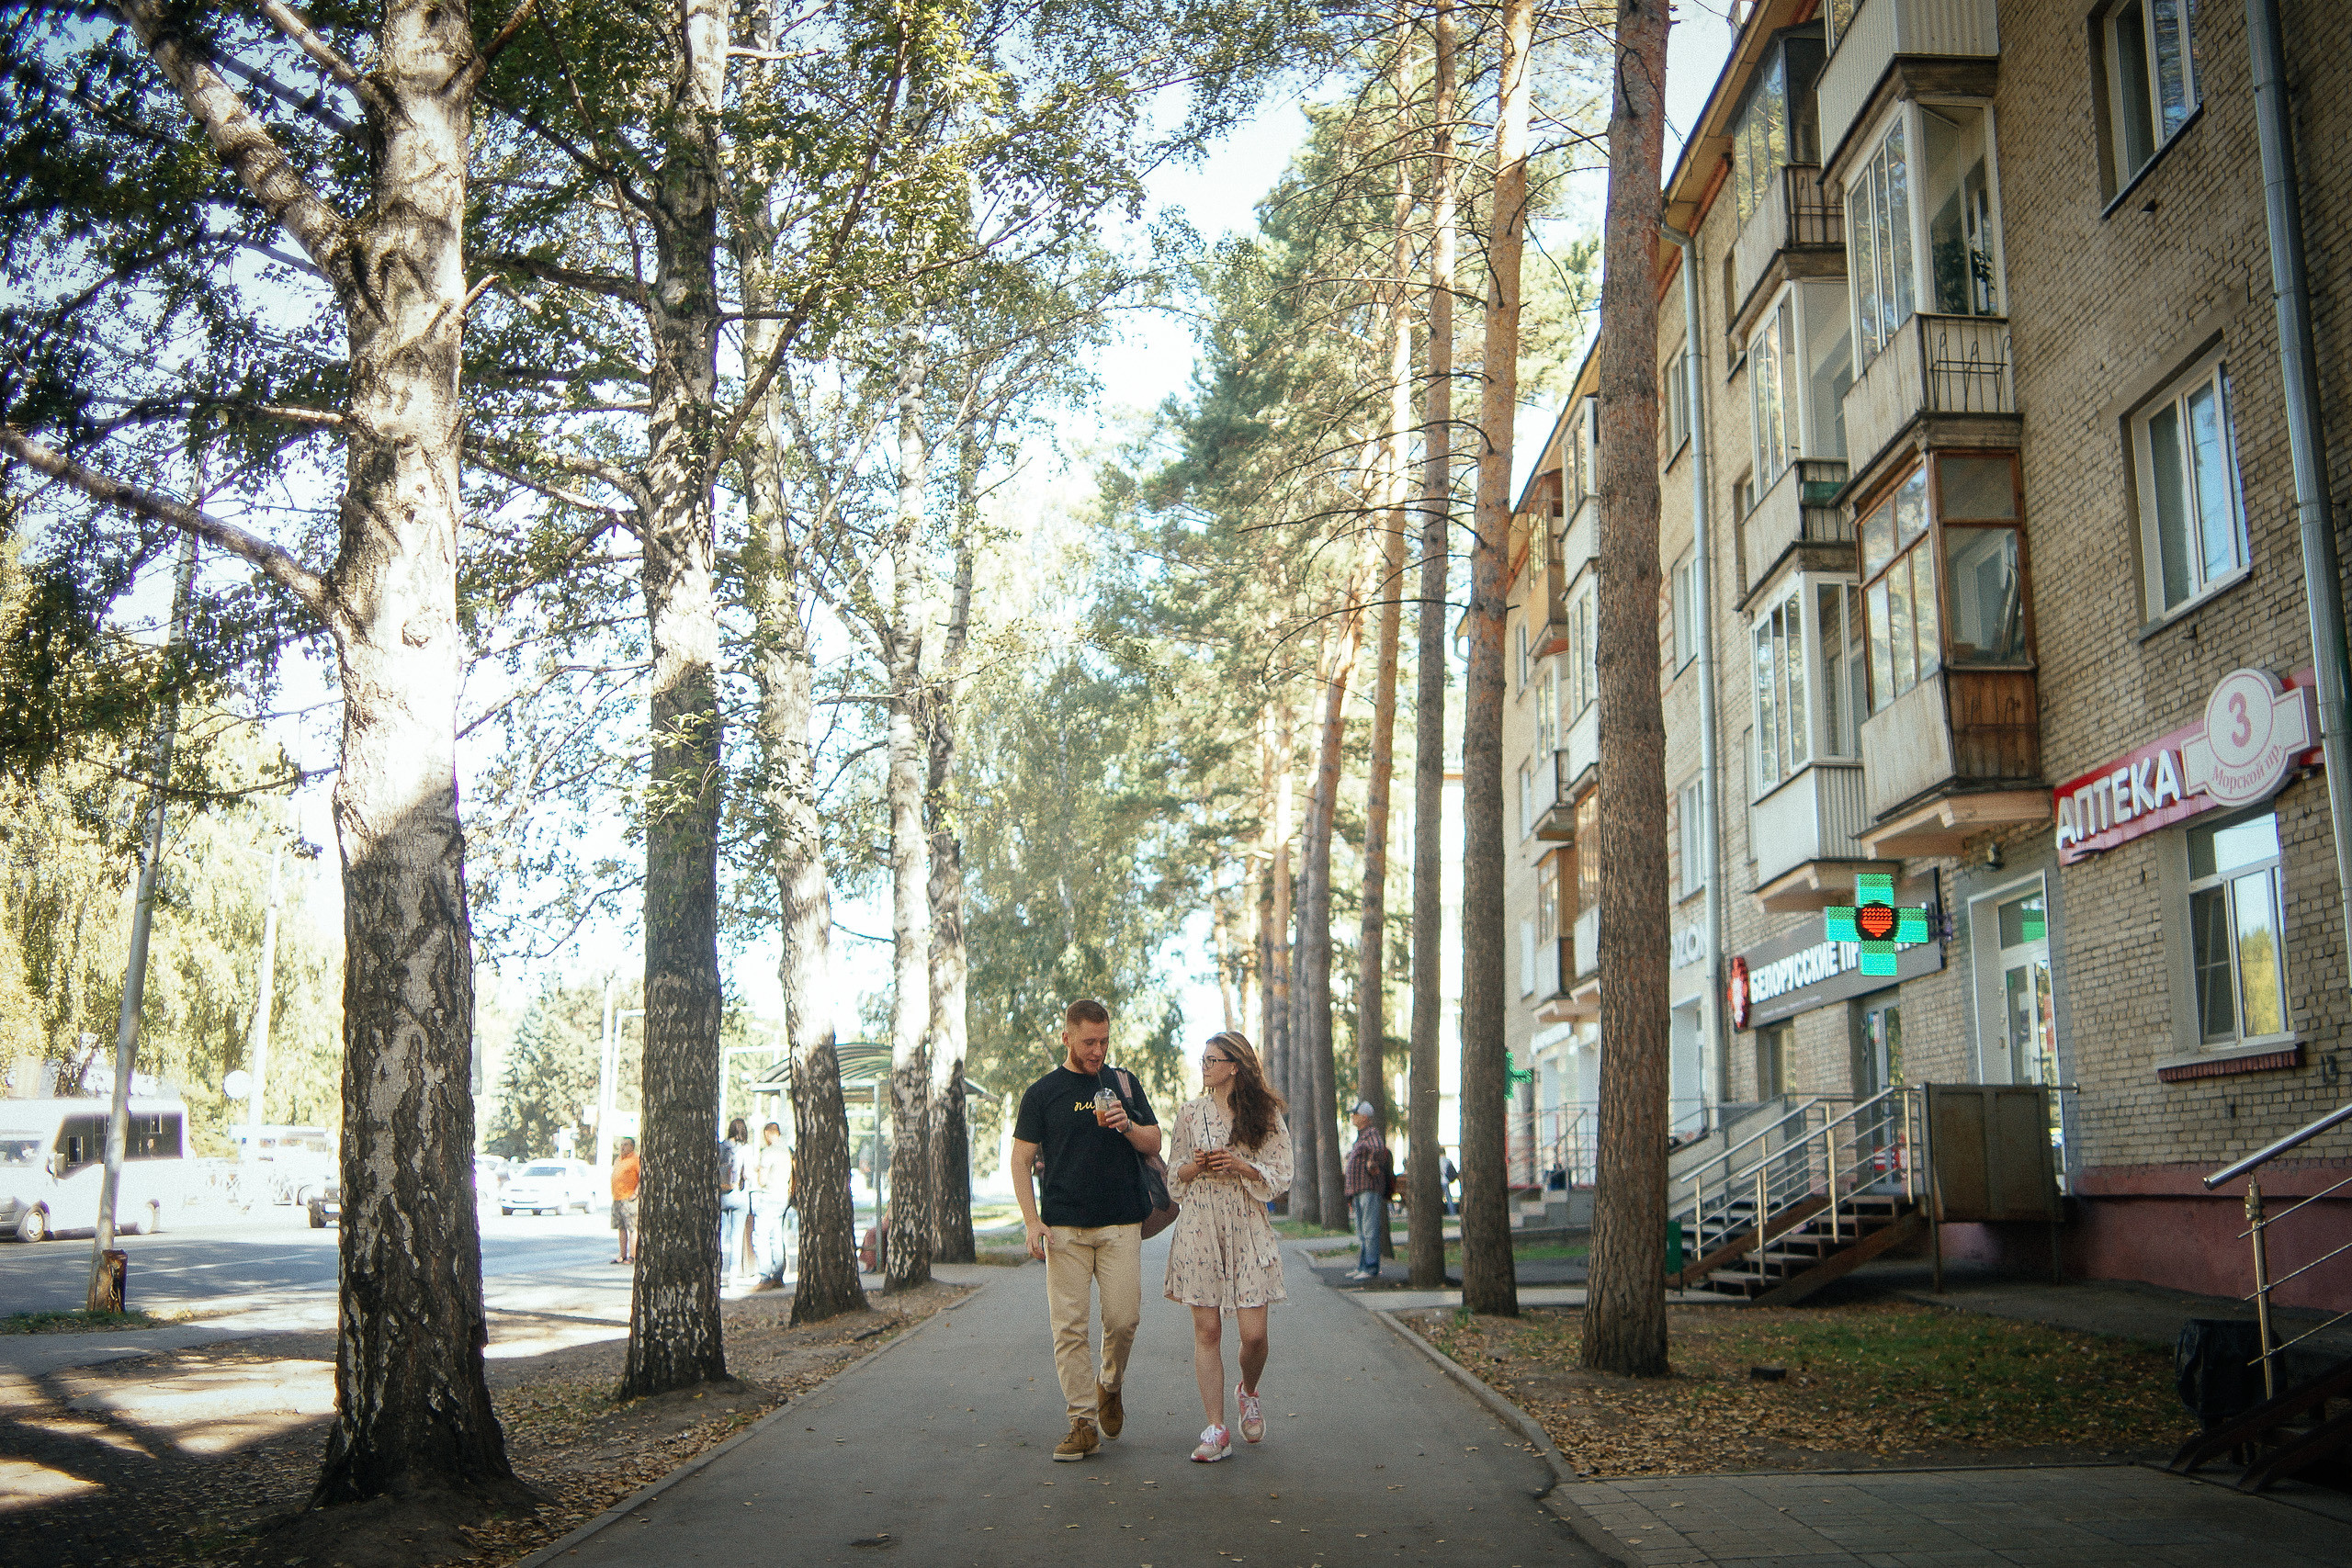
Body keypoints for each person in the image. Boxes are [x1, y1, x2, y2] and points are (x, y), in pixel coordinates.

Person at [1011, 998, 1161, 1463]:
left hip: (1121, 1223)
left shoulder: (1123, 1083)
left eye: (1104, 1041)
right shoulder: (1043, 1093)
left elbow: (1155, 1141)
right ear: (1067, 1038)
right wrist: (1032, 1221)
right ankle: (1081, 1421)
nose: (1097, 1051)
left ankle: (1109, 1385)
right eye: (1089, 1042)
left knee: (1123, 1319)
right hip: (1065, 1228)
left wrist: (1127, 1126)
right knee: (1070, 1327)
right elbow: (1020, 1160)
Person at [1163, 1031, 1290, 1463]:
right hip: (1200, 1222)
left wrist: (1242, 1166)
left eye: (1212, 1060)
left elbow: (1282, 1171)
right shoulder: (1189, 1113)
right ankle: (1216, 1429)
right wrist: (1194, 1165)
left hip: (1246, 1223)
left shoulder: (1265, 1114)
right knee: (1209, 1330)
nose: (1205, 1067)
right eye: (1202, 1060)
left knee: (1254, 1336)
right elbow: (1172, 1176)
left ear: (1235, 1065)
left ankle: (1248, 1391)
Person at [1342, 1100, 1392, 1282]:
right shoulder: (1362, 1136)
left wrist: (1372, 1162)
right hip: (1359, 1190)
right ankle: (1363, 1266)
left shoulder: (1371, 1133)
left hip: (1368, 1189)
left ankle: (1371, 1268)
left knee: (1369, 1231)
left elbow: (1379, 1148)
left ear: (1364, 1117)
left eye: (1354, 1114)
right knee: (1363, 1231)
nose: (1352, 1118)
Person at [751, 1120, 795, 1291]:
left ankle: (764, 1276)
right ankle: (778, 1275)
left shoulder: (768, 1152)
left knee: (760, 1236)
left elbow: (762, 1180)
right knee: (777, 1237)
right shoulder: (787, 1151)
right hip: (783, 1197)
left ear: (768, 1133)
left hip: (768, 1197)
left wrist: (759, 1173)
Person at [719, 1117, 752, 1285]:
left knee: (719, 1235)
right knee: (736, 1237)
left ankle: (716, 1272)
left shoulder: (720, 1146)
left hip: (722, 1195)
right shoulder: (745, 1149)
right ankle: (733, 1277)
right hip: (739, 1195)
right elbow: (748, 1175)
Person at [609, 1137, 640, 1265]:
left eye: (626, 1145)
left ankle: (632, 1256)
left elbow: (642, 1176)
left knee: (632, 1227)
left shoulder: (635, 1159)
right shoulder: (618, 1160)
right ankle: (622, 1255)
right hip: (618, 1198)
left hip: (629, 1199)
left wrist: (636, 1193)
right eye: (621, 1145)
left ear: (632, 1146)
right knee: (621, 1228)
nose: (623, 1147)